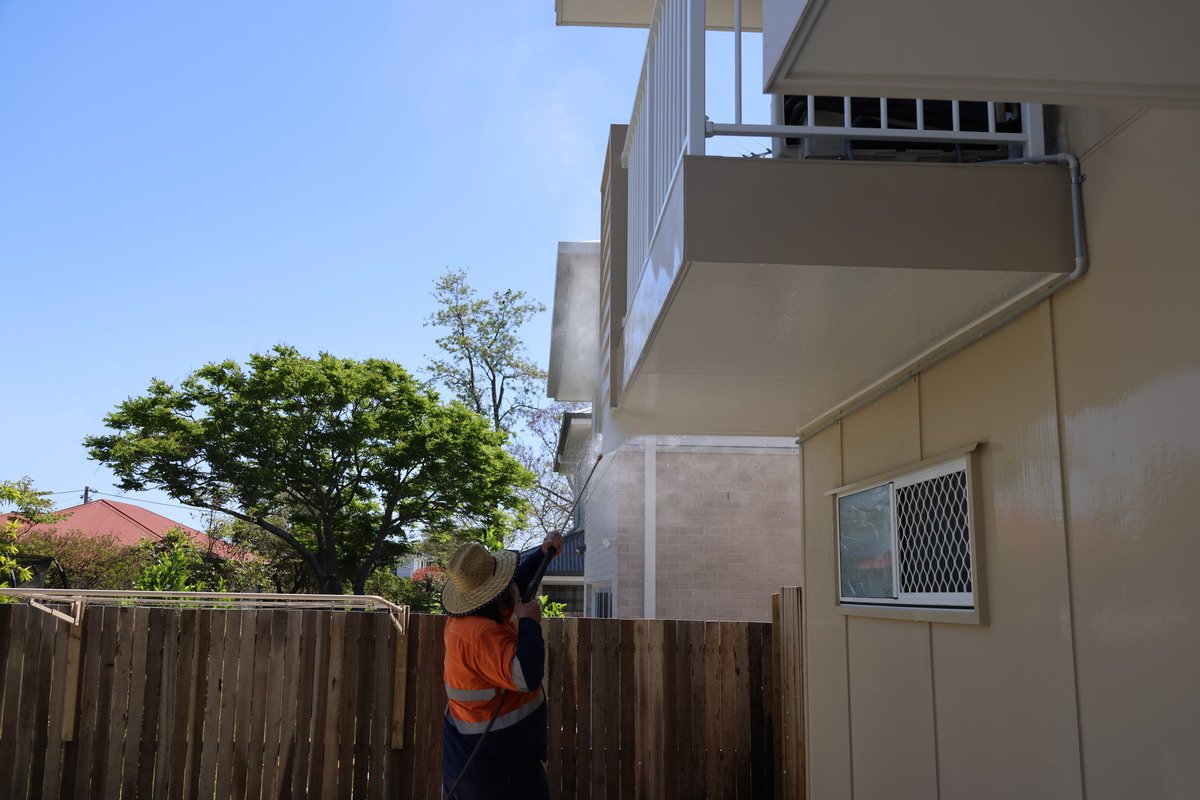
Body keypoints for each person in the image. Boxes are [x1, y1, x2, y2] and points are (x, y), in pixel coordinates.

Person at [440, 531, 563, 800]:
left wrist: (543, 553)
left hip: (488, 754)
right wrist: (529, 622)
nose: (509, 587)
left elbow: (513, 582)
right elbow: (526, 675)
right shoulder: (479, 633)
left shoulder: (472, 613)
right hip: (493, 765)